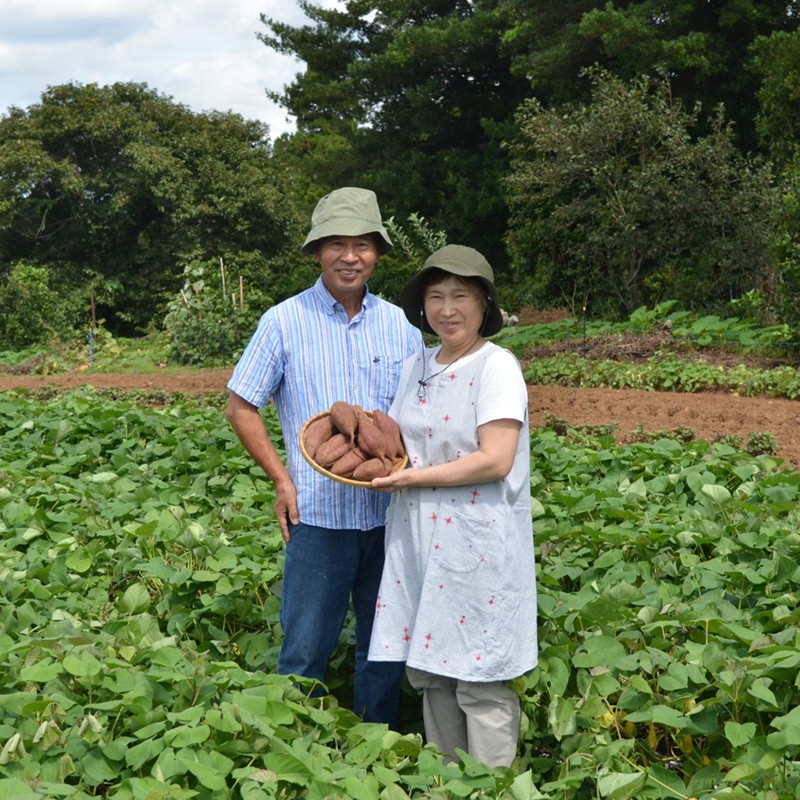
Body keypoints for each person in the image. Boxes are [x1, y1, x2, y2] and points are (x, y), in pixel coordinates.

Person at [226, 187, 423, 726]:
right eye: (337, 244)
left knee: (383, 652)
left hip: (390, 518)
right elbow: (241, 405)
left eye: (362, 244)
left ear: (378, 253)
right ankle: (294, 752)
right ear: (318, 251)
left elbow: (417, 412)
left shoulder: (401, 326)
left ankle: (374, 748)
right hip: (316, 517)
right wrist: (281, 478)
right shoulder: (283, 321)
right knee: (305, 651)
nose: (350, 256)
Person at [367, 244, 538, 766]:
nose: (446, 309)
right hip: (418, 541)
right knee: (432, 671)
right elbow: (402, 441)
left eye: (460, 296)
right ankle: (447, 780)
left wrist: (416, 477)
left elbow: (496, 459)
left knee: (479, 676)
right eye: (435, 297)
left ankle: (490, 784)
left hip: (475, 541)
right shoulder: (415, 364)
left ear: (484, 304)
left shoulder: (497, 367)